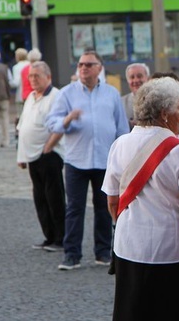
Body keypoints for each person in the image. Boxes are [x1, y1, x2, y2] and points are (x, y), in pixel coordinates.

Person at [102, 77, 179, 321]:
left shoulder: (120, 144)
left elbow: (112, 201)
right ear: (164, 114)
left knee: (131, 311)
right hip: (171, 249)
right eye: (178, 108)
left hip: (128, 245)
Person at [46, 50, 129, 271]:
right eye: (81, 64)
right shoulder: (67, 93)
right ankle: (71, 254)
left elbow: (121, 128)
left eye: (89, 64)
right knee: (74, 208)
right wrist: (68, 119)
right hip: (76, 160)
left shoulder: (111, 94)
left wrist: (122, 156)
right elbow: (52, 123)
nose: (83, 68)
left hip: (105, 160)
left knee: (104, 207)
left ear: (99, 68)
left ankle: (103, 252)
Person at [17, 61, 66, 252]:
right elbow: (22, 125)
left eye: (37, 75)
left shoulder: (56, 96)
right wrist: (20, 155)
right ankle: (49, 235)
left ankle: (61, 237)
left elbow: (61, 124)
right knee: (40, 197)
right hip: (32, 155)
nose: (33, 79)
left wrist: (49, 146)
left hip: (49, 154)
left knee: (54, 197)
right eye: (30, 76)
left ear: (48, 76)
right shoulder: (30, 96)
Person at [121, 62, 150, 128]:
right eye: (132, 77)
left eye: (139, 76)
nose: (136, 80)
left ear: (147, 79)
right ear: (128, 81)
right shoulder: (120, 103)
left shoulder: (157, 101)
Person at [10, 47, 29, 114]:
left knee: (21, 115)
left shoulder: (16, 67)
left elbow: (16, 83)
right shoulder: (30, 65)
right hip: (30, 93)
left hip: (21, 94)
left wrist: (9, 82)